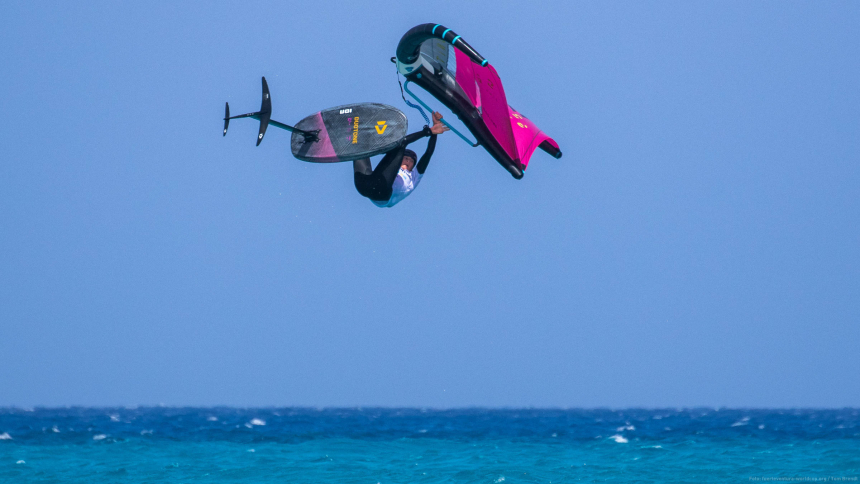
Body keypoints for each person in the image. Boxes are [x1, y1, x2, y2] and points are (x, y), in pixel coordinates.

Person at [353, 111, 449, 207]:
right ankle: (354, 133)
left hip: (381, 193)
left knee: (400, 144)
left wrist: (433, 132)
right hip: (364, 185)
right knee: (360, 147)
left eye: (411, 161)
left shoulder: (414, 177)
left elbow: (428, 153)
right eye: (406, 158)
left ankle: (379, 147)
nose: (408, 161)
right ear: (399, 159)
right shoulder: (394, 166)